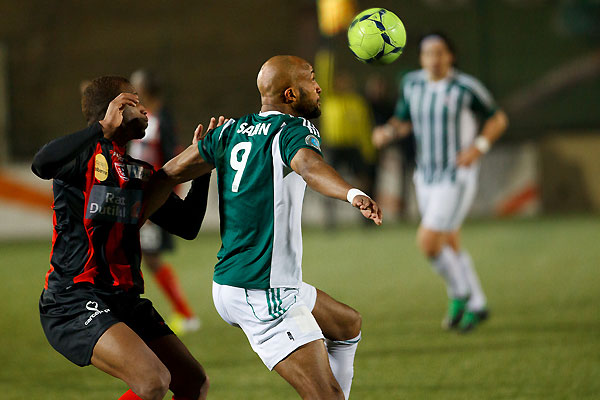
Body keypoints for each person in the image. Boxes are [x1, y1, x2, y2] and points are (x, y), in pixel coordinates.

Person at [154, 55, 382, 399]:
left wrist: (130, 196)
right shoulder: (292, 130)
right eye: (311, 79)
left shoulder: (229, 130)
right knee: (326, 397)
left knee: (347, 325)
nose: (319, 87)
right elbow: (308, 166)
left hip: (241, 281)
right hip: (262, 290)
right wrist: (352, 192)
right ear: (290, 95)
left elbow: (170, 172)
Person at [31, 76, 221, 400]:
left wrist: (204, 170)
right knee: (152, 380)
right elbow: (41, 163)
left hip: (124, 300)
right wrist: (101, 128)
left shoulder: (137, 172)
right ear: (119, 106)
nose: (146, 110)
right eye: (136, 102)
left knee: (193, 382)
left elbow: (188, 225)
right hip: (74, 299)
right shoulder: (83, 158)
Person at [373, 32, 509, 332]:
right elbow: (403, 120)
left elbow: (497, 118)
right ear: (421, 58)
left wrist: (478, 148)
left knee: (428, 241)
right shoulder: (412, 84)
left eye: (439, 52)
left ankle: (459, 292)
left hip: (455, 176)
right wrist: (388, 132)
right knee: (450, 241)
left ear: (451, 56)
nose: (434, 59)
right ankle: (478, 304)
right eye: (427, 53)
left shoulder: (465, 86)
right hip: (425, 175)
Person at [129, 69, 200, 335]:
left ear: (146, 90)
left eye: (136, 87)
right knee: (139, 256)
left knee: (150, 257)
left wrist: (166, 198)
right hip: (137, 197)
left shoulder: (163, 120)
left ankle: (185, 313)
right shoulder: (142, 118)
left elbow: (174, 159)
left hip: (152, 199)